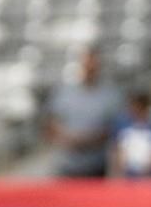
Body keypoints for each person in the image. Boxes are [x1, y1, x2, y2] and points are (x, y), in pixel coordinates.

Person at [43, 45, 123, 178]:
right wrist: (67, 137)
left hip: (96, 166)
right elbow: (51, 122)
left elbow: (115, 128)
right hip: (66, 166)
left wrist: (88, 139)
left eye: (93, 65)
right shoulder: (64, 92)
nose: (89, 69)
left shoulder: (110, 94)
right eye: (86, 65)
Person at [111, 91, 151, 179]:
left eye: (138, 107)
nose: (134, 110)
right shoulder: (122, 126)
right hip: (127, 177)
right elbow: (117, 151)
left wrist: (147, 172)